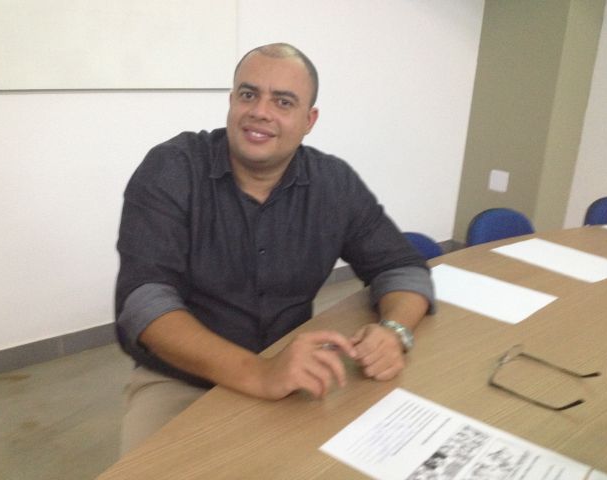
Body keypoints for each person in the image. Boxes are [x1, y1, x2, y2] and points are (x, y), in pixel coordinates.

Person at [115, 42, 435, 453]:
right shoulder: (172, 168)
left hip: (291, 365)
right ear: (232, 101)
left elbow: (402, 267)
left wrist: (394, 331)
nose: (260, 112)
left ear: (309, 120)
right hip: (181, 377)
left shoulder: (334, 183)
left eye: (283, 102)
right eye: (249, 95)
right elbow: (144, 303)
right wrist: (260, 374)